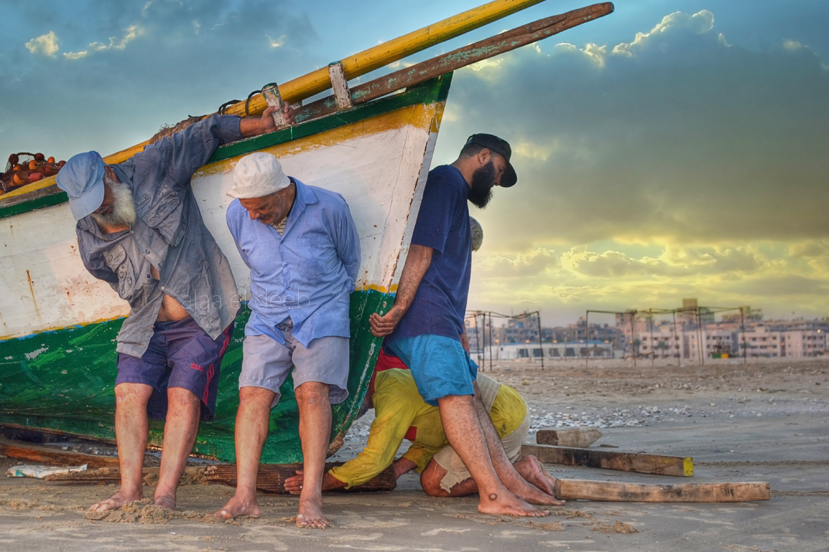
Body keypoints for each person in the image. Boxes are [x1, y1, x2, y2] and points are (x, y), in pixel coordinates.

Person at [57, 104, 290, 513]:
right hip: (145, 322)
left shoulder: (156, 164)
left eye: (101, 198)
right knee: (128, 392)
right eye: (88, 206)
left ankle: (165, 495)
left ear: (110, 174)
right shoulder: (88, 228)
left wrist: (260, 123)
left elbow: (208, 130)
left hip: (201, 315)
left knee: (184, 395)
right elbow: (102, 271)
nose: (97, 209)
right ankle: (129, 490)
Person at [369, 133, 563, 517]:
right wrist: (402, 307)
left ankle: (511, 481)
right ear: (484, 156)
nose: (495, 182)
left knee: (470, 398)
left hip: (442, 319)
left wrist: (457, 327)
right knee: (457, 399)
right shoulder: (444, 182)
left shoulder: (455, 194)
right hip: (427, 315)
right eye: (498, 172)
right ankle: (492, 495)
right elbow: (421, 250)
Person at [215, 152, 360, 528]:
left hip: (321, 313)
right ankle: (245, 495)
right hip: (266, 316)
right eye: (247, 208)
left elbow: (350, 263)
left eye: (261, 208)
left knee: (312, 393)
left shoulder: (329, 207)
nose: (253, 217)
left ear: (283, 191)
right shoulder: (238, 214)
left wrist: (326, 303)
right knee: (252, 394)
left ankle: (311, 495)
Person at [283, 350, 555, 499]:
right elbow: (434, 436)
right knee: (433, 469)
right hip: (508, 405)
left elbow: (375, 460)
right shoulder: (392, 383)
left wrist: (318, 482)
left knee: (434, 483)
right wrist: (401, 467)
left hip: (500, 418)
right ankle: (509, 462)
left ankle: (520, 470)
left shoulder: (392, 396)